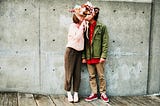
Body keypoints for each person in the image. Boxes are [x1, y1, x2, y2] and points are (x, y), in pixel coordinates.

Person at [82, 7, 109, 103]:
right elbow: (83, 43)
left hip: (98, 56)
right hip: (89, 56)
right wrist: (84, 56)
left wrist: (103, 56)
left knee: (101, 76)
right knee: (91, 76)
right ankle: (94, 93)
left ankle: (103, 93)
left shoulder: (102, 27)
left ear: (93, 15)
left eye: (88, 14)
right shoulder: (85, 27)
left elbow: (105, 42)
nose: (86, 16)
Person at [64, 13, 86, 103]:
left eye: (83, 16)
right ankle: (69, 92)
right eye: (80, 16)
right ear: (76, 17)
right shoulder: (72, 26)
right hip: (71, 51)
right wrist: (82, 26)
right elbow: (77, 37)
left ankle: (76, 93)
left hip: (79, 52)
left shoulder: (84, 26)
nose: (82, 18)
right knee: (69, 73)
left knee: (77, 74)